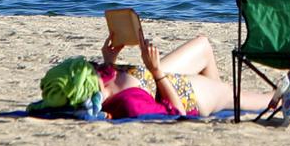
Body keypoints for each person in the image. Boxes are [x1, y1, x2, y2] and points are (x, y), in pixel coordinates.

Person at [93, 31, 262, 118]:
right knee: (265, 100)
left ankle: (220, 99)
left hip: (159, 79)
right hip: (187, 94)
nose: (94, 68)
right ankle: (221, 99)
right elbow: (178, 113)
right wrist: (156, 71)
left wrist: (109, 61)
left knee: (202, 44)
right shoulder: (127, 101)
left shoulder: (103, 81)